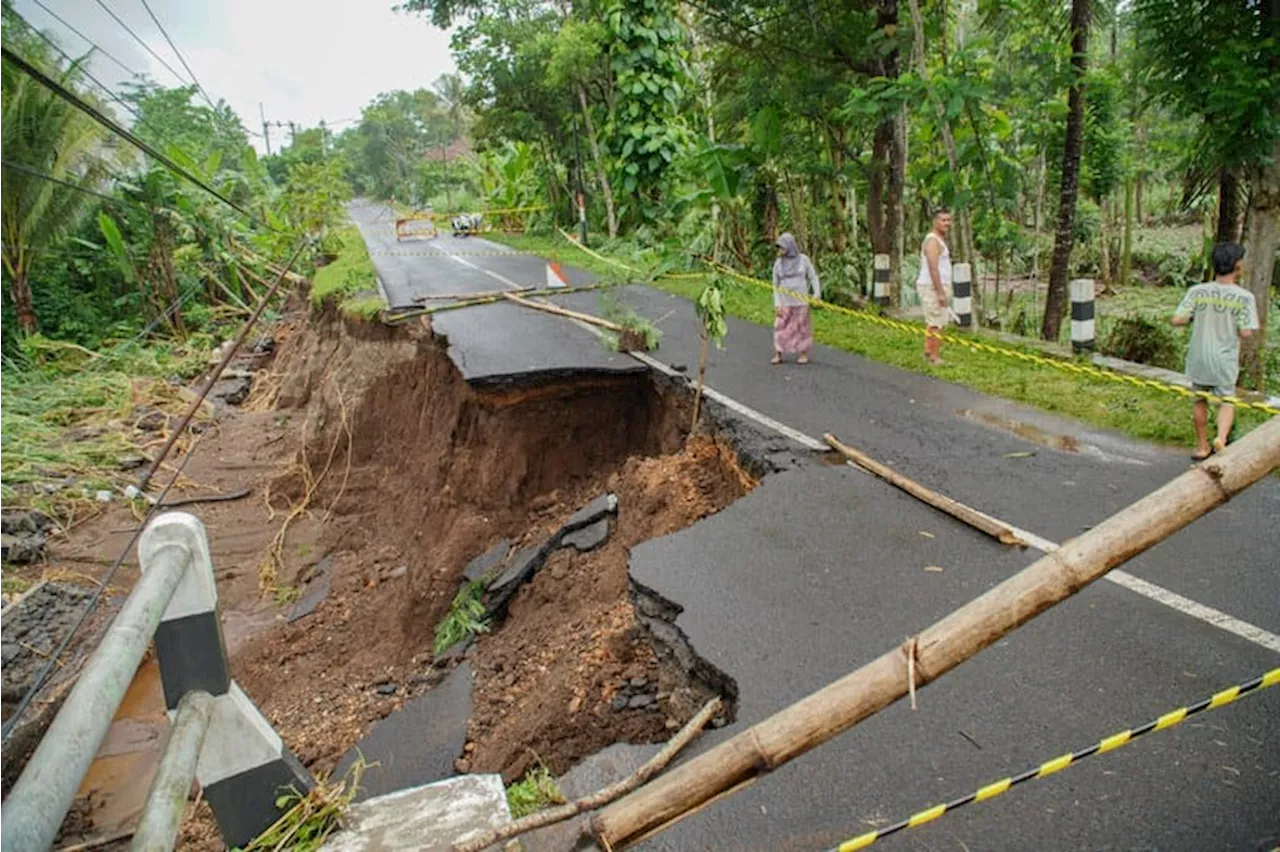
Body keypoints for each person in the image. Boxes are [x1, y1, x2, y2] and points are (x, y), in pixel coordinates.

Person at [1171, 242, 1259, 460]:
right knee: (1227, 400)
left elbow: (1177, 319)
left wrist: (1196, 318)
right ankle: (1221, 437)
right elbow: (1246, 332)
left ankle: (1202, 446)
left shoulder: (1197, 291)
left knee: (1199, 399)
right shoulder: (1244, 297)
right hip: (1225, 359)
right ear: (1237, 265)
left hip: (1198, 357)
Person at [771, 233, 821, 365]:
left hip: (801, 302)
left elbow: (813, 277)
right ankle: (778, 353)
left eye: (782, 247)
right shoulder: (778, 264)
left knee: (802, 328)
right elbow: (775, 285)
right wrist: (777, 304)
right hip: (784, 302)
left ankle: (803, 353)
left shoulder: (803, 260)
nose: (780, 251)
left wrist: (816, 294)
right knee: (780, 326)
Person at [915, 208, 954, 365]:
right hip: (932, 286)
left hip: (938, 285)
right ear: (935, 221)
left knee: (934, 320)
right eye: (943, 220)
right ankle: (935, 357)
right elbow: (933, 267)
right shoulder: (932, 241)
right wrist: (940, 293)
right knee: (938, 321)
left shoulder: (939, 240)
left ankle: (928, 351)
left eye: (949, 220)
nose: (947, 223)